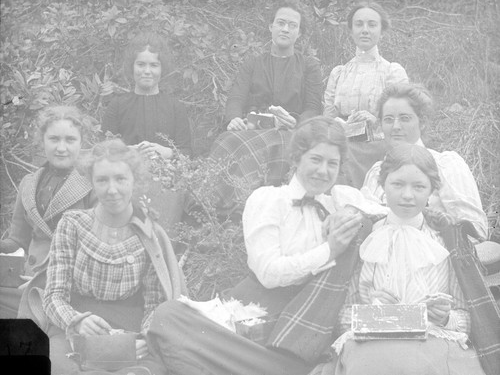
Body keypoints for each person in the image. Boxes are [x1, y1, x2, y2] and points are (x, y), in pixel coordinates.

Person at [146, 116, 387, 375]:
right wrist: (329, 250)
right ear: (296, 159)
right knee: (169, 316)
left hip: (302, 328)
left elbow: (383, 212)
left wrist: (351, 215)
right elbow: (269, 273)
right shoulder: (270, 200)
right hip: (257, 309)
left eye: (332, 163)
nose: (323, 171)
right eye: (315, 160)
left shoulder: (340, 200)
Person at [329, 144, 493, 375]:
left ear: (431, 191)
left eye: (418, 186)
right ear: (383, 185)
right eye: (397, 184)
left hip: (433, 345)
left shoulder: (447, 240)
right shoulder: (365, 238)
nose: (407, 195)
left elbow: (467, 319)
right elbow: (341, 319)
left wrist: (446, 318)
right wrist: (375, 312)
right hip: (373, 349)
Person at [43, 139, 186, 375]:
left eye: (120, 179)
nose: (112, 190)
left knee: (149, 370)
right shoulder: (73, 224)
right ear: (91, 182)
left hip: (131, 330)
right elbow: (53, 295)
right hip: (76, 328)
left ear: (134, 180)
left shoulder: (149, 233)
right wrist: (76, 321)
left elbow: (155, 304)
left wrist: (144, 339)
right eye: (102, 180)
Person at [209, 0, 323, 215]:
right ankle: (220, 211)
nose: (285, 29)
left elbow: (313, 106)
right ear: (271, 26)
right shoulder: (253, 62)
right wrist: (233, 118)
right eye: (281, 23)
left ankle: (258, 210)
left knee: (279, 145)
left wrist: (298, 122)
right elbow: (236, 97)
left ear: (299, 33)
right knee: (226, 140)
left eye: (292, 25)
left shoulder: (309, 65)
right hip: (253, 128)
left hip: (289, 131)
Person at [0, 105, 95, 319]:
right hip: (27, 277)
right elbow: (18, 240)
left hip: (67, 285)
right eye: (54, 139)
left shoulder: (92, 185)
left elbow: (92, 251)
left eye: (70, 140)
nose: (61, 148)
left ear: (82, 142)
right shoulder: (29, 183)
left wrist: (43, 280)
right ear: (42, 141)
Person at [361, 83, 488, 240]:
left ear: (422, 122)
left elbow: (476, 231)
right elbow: (362, 228)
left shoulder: (446, 165)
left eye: (404, 118)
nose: (395, 126)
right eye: (388, 119)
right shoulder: (376, 173)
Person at [102, 31, 191, 234]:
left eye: (154, 65)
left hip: (165, 181)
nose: (147, 71)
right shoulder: (117, 105)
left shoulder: (175, 107)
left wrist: (164, 151)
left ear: (162, 68)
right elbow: (103, 150)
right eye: (141, 64)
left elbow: (187, 152)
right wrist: (127, 152)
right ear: (131, 67)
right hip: (126, 178)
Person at [323, 0, 408, 189]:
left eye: (372, 24)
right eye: (359, 24)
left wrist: (375, 119)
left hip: (376, 143)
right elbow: (328, 115)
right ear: (351, 30)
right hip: (342, 140)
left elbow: (401, 119)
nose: (365, 30)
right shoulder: (339, 73)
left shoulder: (392, 72)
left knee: (344, 154)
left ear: (382, 31)